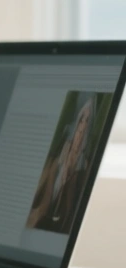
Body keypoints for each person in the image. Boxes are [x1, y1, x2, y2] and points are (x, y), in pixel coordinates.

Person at [26, 95, 99, 233]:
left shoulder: (84, 163)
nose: (82, 126)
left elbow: (74, 206)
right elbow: (46, 182)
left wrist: (70, 176)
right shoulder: (62, 150)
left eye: (87, 121)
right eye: (82, 119)